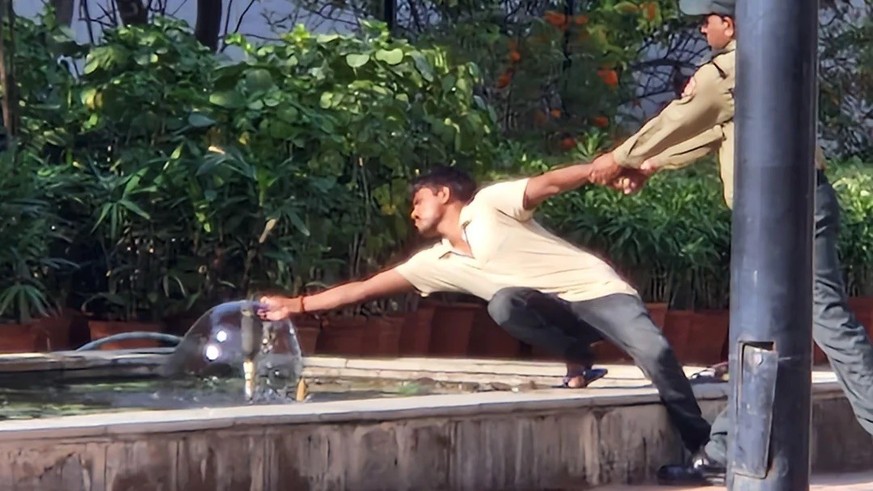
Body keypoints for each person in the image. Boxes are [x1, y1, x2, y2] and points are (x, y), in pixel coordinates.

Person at [588, 0, 873, 485]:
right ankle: (725, 450)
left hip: (791, 211)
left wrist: (620, 158)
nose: (702, 29)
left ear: (732, 22)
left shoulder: (731, 68)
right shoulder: (757, 64)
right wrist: (650, 165)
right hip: (775, 212)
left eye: (708, 20)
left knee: (826, 325)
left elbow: (680, 118)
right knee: (760, 330)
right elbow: (714, 131)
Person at [259, 164, 712, 454]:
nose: (411, 213)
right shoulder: (433, 262)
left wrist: (599, 168)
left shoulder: (490, 205)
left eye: (417, 201)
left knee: (653, 354)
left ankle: (704, 449)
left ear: (442, 194)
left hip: (596, 291)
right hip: (558, 315)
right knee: (504, 304)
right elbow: (364, 288)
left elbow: (549, 183)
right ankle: (581, 353)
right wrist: (296, 305)